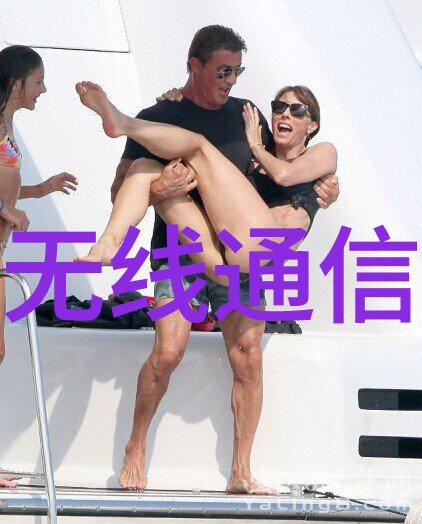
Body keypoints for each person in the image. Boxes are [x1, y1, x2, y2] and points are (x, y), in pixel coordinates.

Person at [79, 26, 339, 494]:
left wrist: (324, 189)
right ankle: (135, 447)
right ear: (194, 65)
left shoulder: (246, 114)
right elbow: (122, 188)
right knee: (168, 351)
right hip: (181, 251)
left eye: (237, 71)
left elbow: (278, 172)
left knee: (249, 357)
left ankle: (241, 471)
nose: (231, 81)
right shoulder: (161, 114)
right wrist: (161, 190)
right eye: (222, 71)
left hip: (235, 250)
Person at [0, 45, 78, 367]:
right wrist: (5, 209)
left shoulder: (8, 124)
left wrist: (43, 189)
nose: (43, 89)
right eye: (38, 81)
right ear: (16, 84)